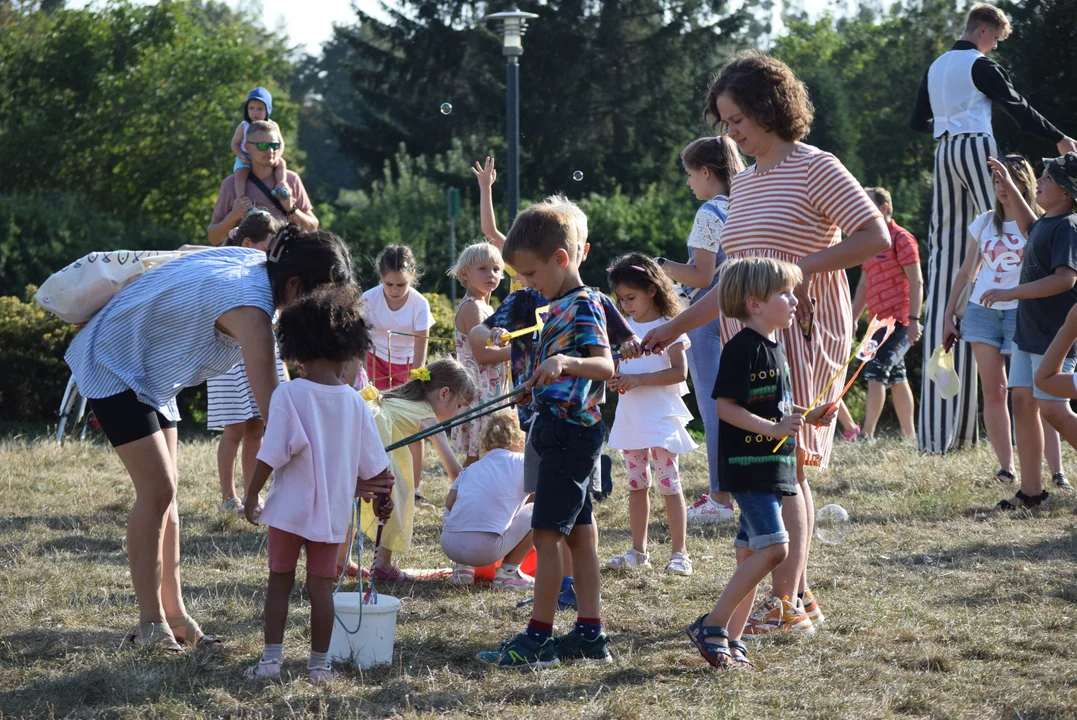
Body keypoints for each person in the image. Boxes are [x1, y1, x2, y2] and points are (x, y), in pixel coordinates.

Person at [641, 51, 888, 635]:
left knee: (786, 468)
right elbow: (731, 280)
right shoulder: (745, 185)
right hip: (746, 340)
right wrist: (670, 328)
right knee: (765, 467)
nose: (732, 133)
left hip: (802, 332)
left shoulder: (816, 166)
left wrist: (795, 269)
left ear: (769, 108)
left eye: (737, 120)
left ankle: (788, 605)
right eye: (726, 122)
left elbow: (873, 235)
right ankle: (793, 597)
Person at [64, 226, 372, 650]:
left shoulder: (257, 265)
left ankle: (177, 618)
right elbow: (276, 412)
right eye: (320, 300)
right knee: (158, 490)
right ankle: (149, 625)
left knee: (167, 498)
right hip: (113, 361)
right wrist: (337, 444)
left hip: (152, 373)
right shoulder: (250, 309)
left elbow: (187, 252)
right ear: (296, 285)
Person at [910, 3, 1076, 454]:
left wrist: (951, 115)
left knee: (950, 252)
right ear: (983, 30)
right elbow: (1016, 109)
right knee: (1011, 233)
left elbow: (918, 119)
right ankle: (1029, 326)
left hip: (943, 152)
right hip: (977, 146)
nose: (997, 45)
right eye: (996, 38)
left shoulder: (937, 65)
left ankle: (940, 430)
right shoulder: (980, 64)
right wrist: (1059, 137)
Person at [470, 194, 638, 611]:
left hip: (571, 432)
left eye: (530, 273)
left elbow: (602, 365)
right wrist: (535, 384)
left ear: (562, 258)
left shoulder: (583, 304)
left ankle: (541, 633)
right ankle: (588, 627)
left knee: (547, 536)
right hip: (552, 425)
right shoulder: (556, 305)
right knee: (579, 535)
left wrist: (564, 362)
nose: (526, 283)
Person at [687, 257, 834, 668]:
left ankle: (732, 641)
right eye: (785, 294)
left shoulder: (775, 348)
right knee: (776, 549)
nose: (794, 300)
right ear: (754, 304)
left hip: (773, 468)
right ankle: (712, 624)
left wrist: (807, 412)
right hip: (750, 465)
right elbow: (725, 408)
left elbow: (772, 406)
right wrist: (772, 430)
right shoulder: (742, 349)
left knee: (750, 554)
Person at [242, 284, 391, 684]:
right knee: (320, 590)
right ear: (348, 349)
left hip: (288, 513)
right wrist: (381, 502)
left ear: (298, 348)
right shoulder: (356, 403)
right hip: (332, 518)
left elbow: (271, 454)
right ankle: (319, 667)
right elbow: (376, 471)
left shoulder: (289, 394)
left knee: (279, 582)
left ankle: (271, 661)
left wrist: (252, 493)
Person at [942, 155, 1068, 488]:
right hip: (982, 311)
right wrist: (947, 314)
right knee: (996, 391)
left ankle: (1056, 472)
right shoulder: (985, 222)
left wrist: (1012, 293)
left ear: (1025, 183)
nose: (1000, 188)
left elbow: (1061, 276)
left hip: (1024, 313)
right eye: (996, 182)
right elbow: (967, 270)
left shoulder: (1042, 221)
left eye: (1007, 181)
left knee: (1036, 396)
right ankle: (1006, 469)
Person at [656, 136, 745, 524]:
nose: (690, 182)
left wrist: (658, 265)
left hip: (708, 320)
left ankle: (720, 498)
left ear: (707, 172)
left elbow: (701, 274)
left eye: (691, 174)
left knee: (713, 408)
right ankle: (740, 487)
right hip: (743, 312)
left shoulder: (709, 212)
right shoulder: (745, 203)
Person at [982, 153, 1077, 510]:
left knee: (1053, 409)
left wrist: (1011, 292)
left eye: (1047, 178)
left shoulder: (1068, 226)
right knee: (1023, 404)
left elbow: (1065, 279)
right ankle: (1031, 493)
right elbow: (1028, 225)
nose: (1039, 181)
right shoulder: (1046, 222)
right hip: (1029, 332)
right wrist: (1007, 182)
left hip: (1056, 336)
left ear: (1065, 192)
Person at [605, 254, 695, 575]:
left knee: (669, 483)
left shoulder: (669, 326)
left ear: (652, 290)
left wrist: (639, 379)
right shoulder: (620, 327)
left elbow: (678, 373)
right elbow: (614, 367)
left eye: (631, 297)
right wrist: (615, 377)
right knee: (636, 484)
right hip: (632, 418)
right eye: (621, 299)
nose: (626, 305)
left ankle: (679, 553)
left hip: (660, 418)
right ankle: (638, 551)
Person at [359, 358, 475, 580]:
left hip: (357, 439)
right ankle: (382, 564)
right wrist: (478, 487)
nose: (458, 413)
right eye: (459, 406)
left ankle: (338, 559)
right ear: (443, 393)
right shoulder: (427, 417)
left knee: (351, 497)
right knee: (400, 492)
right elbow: (453, 470)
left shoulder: (398, 398)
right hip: (372, 445)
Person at [208, 210, 289, 516]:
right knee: (234, 429)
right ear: (246, 242)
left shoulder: (268, 274)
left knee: (256, 428)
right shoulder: (228, 271)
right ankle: (228, 496)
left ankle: (250, 495)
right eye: (266, 248)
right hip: (231, 360)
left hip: (263, 355)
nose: (270, 256)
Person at [850, 187, 923, 442]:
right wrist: (852, 319)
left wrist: (914, 321)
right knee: (896, 376)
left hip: (900, 321)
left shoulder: (902, 238)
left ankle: (866, 435)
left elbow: (917, 281)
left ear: (883, 208)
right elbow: (863, 284)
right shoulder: (870, 240)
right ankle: (910, 437)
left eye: (867, 204)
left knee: (876, 372)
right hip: (876, 324)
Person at [440, 409, 535, 589]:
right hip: (486, 551)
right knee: (539, 510)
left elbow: (450, 503)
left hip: (450, 546)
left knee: (458, 502)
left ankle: (463, 569)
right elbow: (539, 497)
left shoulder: (472, 468)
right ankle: (508, 573)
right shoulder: (524, 463)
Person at [207, 120, 318, 246]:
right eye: (263, 146)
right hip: (245, 261)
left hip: (284, 261)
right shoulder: (230, 184)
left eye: (274, 145)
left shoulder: (291, 179)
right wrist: (234, 215)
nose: (270, 151)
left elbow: (312, 227)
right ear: (248, 148)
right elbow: (213, 237)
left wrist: (291, 208)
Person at [449, 242, 510, 467]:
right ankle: (459, 500)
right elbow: (483, 355)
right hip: (480, 393)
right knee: (475, 457)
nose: (491, 275)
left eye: (496, 269)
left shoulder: (487, 308)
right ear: (465, 274)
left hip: (491, 389)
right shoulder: (472, 307)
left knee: (489, 453)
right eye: (483, 269)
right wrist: (519, 351)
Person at [361, 245, 435, 391]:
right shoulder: (368, 298)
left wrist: (416, 383)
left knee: (400, 404)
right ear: (381, 276)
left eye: (401, 284)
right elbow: (360, 340)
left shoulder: (420, 304)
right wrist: (362, 373)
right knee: (375, 402)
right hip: (375, 360)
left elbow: (420, 351)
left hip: (406, 365)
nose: (394, 290)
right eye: (389, 284)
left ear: (412, 275)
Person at [230, 87, 288, 203]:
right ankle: (241, 198)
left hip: (268, 154)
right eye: (251, 108)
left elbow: (281, 143)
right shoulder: (244, 126)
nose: (255, 112)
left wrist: (276, 156)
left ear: (268, 110)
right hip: (247, 156)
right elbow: (235, 144)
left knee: (282, 163)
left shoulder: (272, 125)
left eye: (260, 109)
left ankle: (280, 186)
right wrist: (242, 156)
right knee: (241, 172)